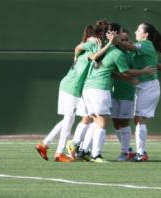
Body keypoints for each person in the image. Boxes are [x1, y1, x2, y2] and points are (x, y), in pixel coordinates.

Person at [77, 23, 156, 163]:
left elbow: (91, 55)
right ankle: (95, 154)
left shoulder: (103, 47)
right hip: (100, 88)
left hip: (90, 88)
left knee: (97, 121)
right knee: (101, 122)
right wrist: (142, 73)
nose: (123, 39)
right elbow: (124, 71)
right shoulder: (117, 53)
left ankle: (83, 150)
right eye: (121, 35)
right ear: (115, 35)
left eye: (126, 39)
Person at [107, 22, 161, 161]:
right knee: (133, 119)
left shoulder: (146, 44)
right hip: (141, 86)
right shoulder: (142, 48)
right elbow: (155, 64)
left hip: (148, 86)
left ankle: (141, 153)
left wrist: (116, 41)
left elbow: (130, 46)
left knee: (139, 119)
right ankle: (133, 151)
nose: (135, 32)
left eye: (138, 30)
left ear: (145, 34)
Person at [35, 24, 100, 162]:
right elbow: (94, 56)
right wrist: (102, 46)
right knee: (69, 120)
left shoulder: (86, 46)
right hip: (72, 87)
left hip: (67, 84)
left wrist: (76, 55)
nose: (97, 40)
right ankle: (59, 153)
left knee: (67, 119)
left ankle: (44, 144)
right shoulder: (91, 45)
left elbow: (78, 48)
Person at [111, 29, 137, 161]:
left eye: (127, 39)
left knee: (124, 122)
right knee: (115, 123)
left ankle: (125, 152)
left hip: (127, 93)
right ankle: (127, 149)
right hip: (115, 92)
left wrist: (128, 76)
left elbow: (130, 72)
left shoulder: (131, 55)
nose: (126, 42)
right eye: (123, 39)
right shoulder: (115, 53)